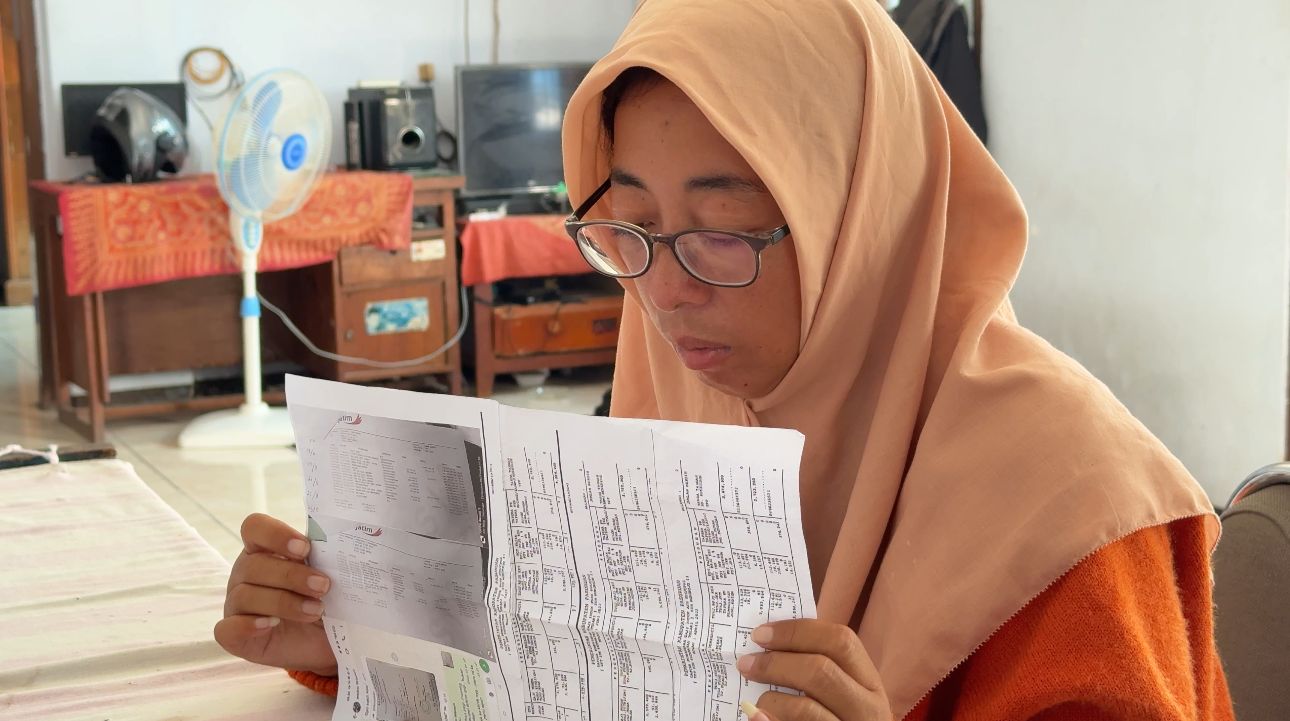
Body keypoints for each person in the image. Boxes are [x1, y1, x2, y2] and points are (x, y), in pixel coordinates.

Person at [218, 1, 1234, 718]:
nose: (665, 292)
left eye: (723, 231)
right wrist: (355, 638)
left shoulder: (1072, 501)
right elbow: (575, 665)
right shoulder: (687, 396)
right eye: (631, 228)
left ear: (860, 223)